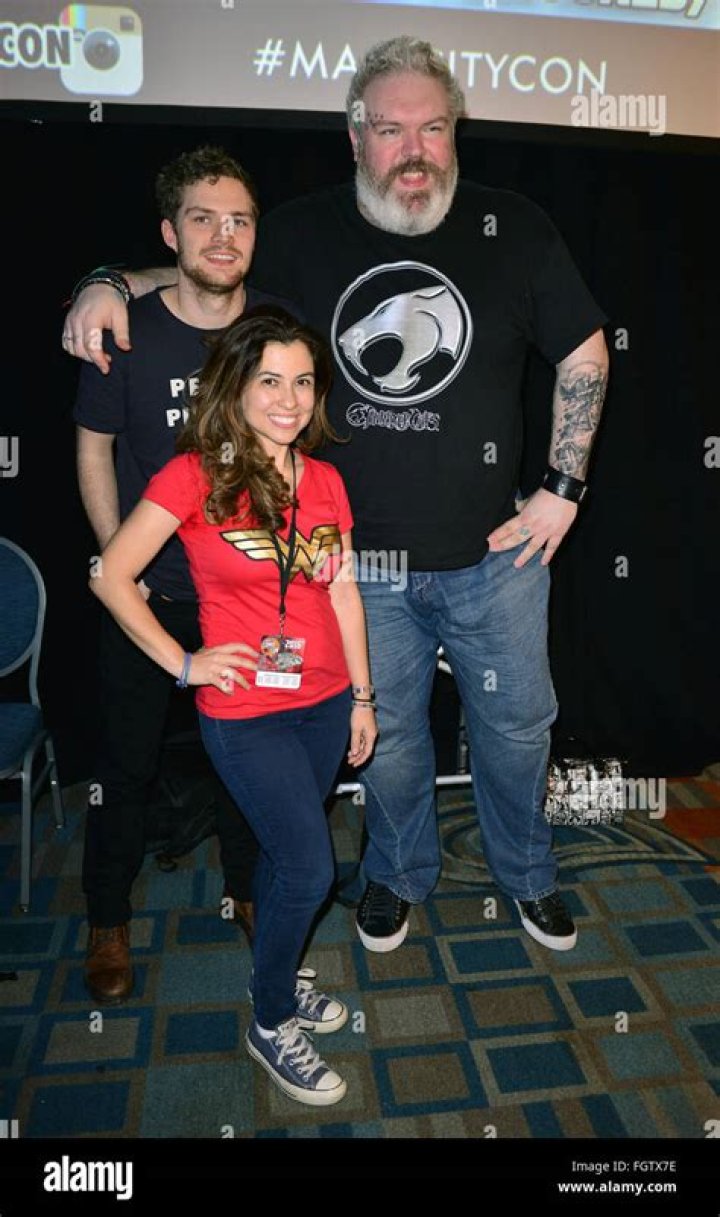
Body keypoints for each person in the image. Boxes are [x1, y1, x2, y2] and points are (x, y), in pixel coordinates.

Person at [62, 36, 609, 959]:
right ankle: (397, 874)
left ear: (456, 131)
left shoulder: (513, 227)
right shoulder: (307, 232)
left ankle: (528, 873)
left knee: (519, 730)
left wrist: (562, 489)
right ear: (357, 137)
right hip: (358, 569)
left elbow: (585, 352)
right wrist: (105, 283)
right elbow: (210, 275)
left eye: (432, 128)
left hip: (499, 558)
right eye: (391, 129)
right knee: (387, 739)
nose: (414, 151)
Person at [89, 307, 377, 1105]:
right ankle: (271, 1020)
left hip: (325, 703)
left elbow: (343, 592)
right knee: (312, 865)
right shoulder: (193, 474)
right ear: (236, 387)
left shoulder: (326, 480)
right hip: (244, 711)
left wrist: (363, 696)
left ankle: (274, 973)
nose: (289, 399)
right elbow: (110, 575)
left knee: (286, 858)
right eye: (270, 380)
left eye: (304, 381)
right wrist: (184, 663)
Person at [73, 146, 295, 1004]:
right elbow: (94, 448)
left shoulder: (275, 324)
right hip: (151, 593)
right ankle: (107, 918)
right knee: (123, 767)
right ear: (170, 233)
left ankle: (248, 891)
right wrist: (116, 558)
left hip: (246, 599)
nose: (223, 235)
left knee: (250, 760)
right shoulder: (126, 330)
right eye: (203, 218)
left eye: (239, 219)